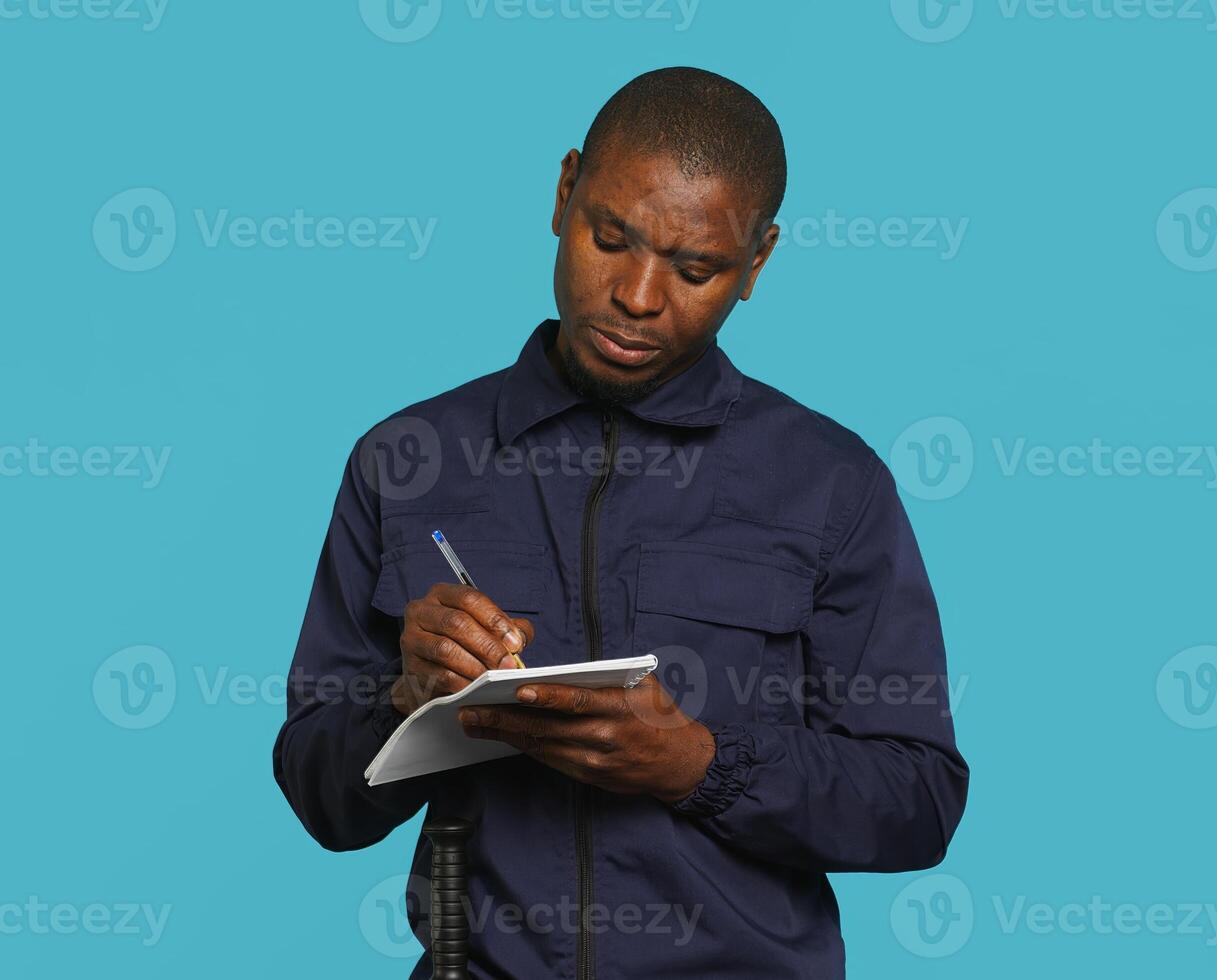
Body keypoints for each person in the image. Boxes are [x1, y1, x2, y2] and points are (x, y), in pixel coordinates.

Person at [271, 66, 969, 979]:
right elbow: (322, 802)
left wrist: (698, 767)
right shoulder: (407, 460)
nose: (638, 297)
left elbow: (919, 801)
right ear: (564, 193)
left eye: (695, 269)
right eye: (610, 239)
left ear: (756, 263)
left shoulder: (834, 484)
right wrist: (407, 698)